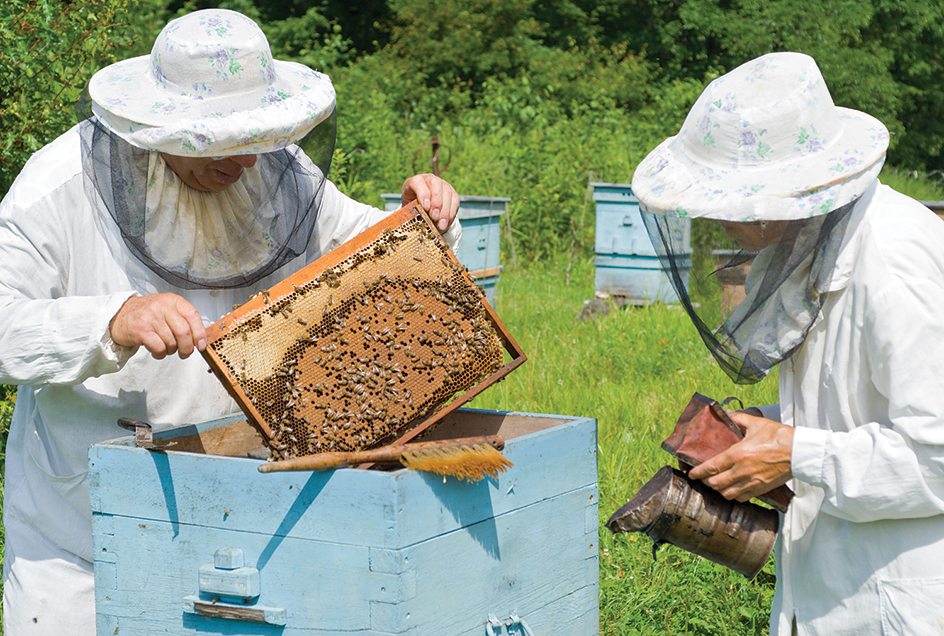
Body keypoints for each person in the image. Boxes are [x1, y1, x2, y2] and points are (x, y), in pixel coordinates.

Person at [0, 9, 462, 634]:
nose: (248, 160)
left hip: (245, 514)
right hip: (79, 538)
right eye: (225, 142)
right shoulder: (57, 186)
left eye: (258, 138)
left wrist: (421, 218)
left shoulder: (276, 170)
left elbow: (364, 247)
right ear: (160, 127)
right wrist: (112, 321)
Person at [631, 51, 944, 635]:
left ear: (780, 191)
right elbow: (859, 404)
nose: (713, 215)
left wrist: (794, 453)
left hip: (896, 598)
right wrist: (766, 429)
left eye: (721, 197)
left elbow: (937, 455)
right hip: (829, 581)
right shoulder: (809, 241)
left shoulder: (898, 266)